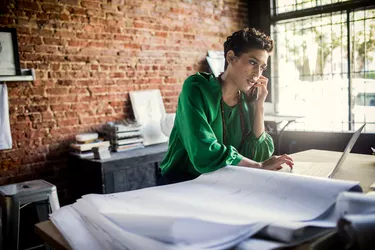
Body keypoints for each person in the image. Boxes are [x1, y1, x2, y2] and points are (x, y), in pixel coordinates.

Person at [158, 27, 294, 185]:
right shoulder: (197, 88)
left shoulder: (248, 97)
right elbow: (203, 152)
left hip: (226, 182)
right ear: (231, 58)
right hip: (182, 182)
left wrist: (259, 105)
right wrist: (259, 166)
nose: (257, 74)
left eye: (262, 67)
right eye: (252, 62)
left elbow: (258, 154)